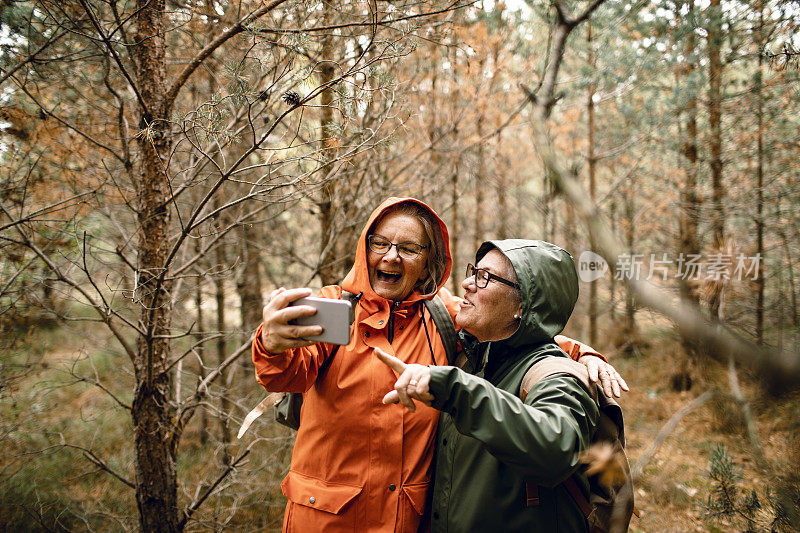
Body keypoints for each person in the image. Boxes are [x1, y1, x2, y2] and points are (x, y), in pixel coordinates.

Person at [252, 199, 624, 532]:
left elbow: (510, 328)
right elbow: (284, 373)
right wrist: (270, 343)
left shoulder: (443, 318)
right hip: (327, 521)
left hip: (406, 520)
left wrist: (581, 352)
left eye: (408, 248)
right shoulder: (334, 310)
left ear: (429, 260)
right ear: (365, 249)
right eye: (380, 243)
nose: (391, 256)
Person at [377, 239, 613, 532]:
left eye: (484, 277)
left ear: (523, 305)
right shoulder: (474, 359)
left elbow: (556, 447)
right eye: (473, 271)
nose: (466, 283)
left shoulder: (557, 376)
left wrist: (453, 388)